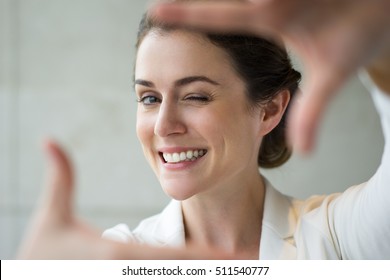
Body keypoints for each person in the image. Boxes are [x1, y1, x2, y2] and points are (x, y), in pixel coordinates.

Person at [17, 0, 390, 259]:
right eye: (148, 98)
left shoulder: (337, 238)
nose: (163, 125)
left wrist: (382, 49)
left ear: (269, 109)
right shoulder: (119, 256)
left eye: (195, 96)